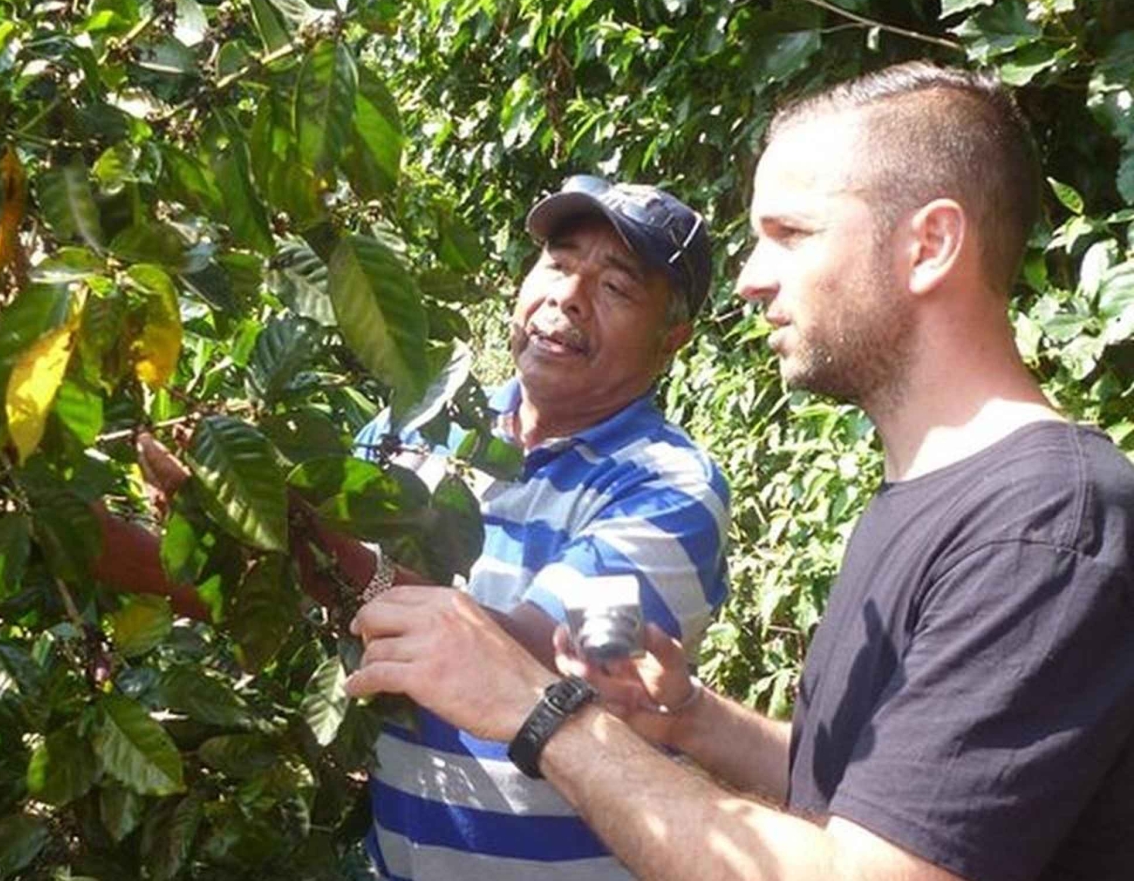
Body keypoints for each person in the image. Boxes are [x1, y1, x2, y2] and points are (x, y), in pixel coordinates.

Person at [343, 62, 1134, 881]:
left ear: (927, 245)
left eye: (791, 233)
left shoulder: (1042, 528)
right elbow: (878, 800)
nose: (754, 279)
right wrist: (692, 719)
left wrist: (538, 708)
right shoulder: (932, 498)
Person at [96, 179, 731, 880]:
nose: (570, 295)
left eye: (615, 286)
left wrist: (284, 526)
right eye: (558, 261)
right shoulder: (416, 429)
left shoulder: (667, 487)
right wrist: (80, 534)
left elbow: (557, 659)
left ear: (671, 338)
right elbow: (299, 590)